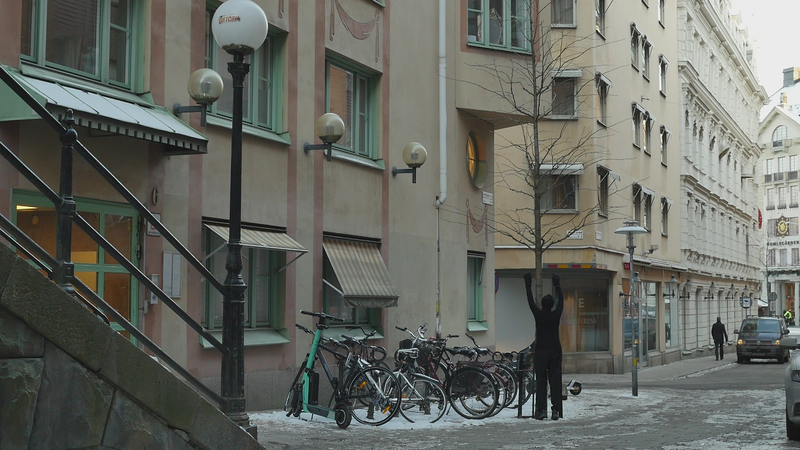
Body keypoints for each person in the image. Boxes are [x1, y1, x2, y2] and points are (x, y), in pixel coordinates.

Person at [524, 272, 564, 421]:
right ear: (552, 305)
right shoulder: (556, 315)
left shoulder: (539, 315)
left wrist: (528, 284)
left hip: (541, 350)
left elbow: (530, 302)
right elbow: (562, 302)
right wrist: (557, 285)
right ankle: (556, 410)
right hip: (555, 349)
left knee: (541, 381)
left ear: (542, 304)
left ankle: (541, 410)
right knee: (555, 381)